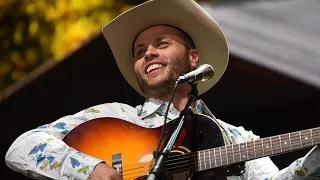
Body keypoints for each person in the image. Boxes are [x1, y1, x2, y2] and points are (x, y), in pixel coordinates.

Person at [5, 0, 320, 179]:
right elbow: (23, 145)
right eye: (140, 50)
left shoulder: (235, 138)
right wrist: (90, 169)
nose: (148, 53)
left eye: (161, 44)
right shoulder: (113, 116)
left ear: (193, 57)